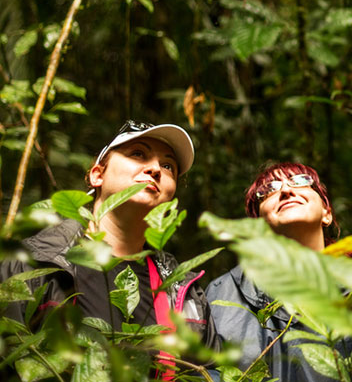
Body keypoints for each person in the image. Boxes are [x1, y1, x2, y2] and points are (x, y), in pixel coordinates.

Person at [0, 120, 219, 351]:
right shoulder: (33, 264)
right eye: (138, 153)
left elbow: (210, 370)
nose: (155, 169)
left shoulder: (184, 292)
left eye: (168, 166)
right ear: (97, 175)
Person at [206, 162, 352, 381]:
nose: (286, 190)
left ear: (327, 213)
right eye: (269, 190)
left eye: (301, 181)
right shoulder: (222, 294)